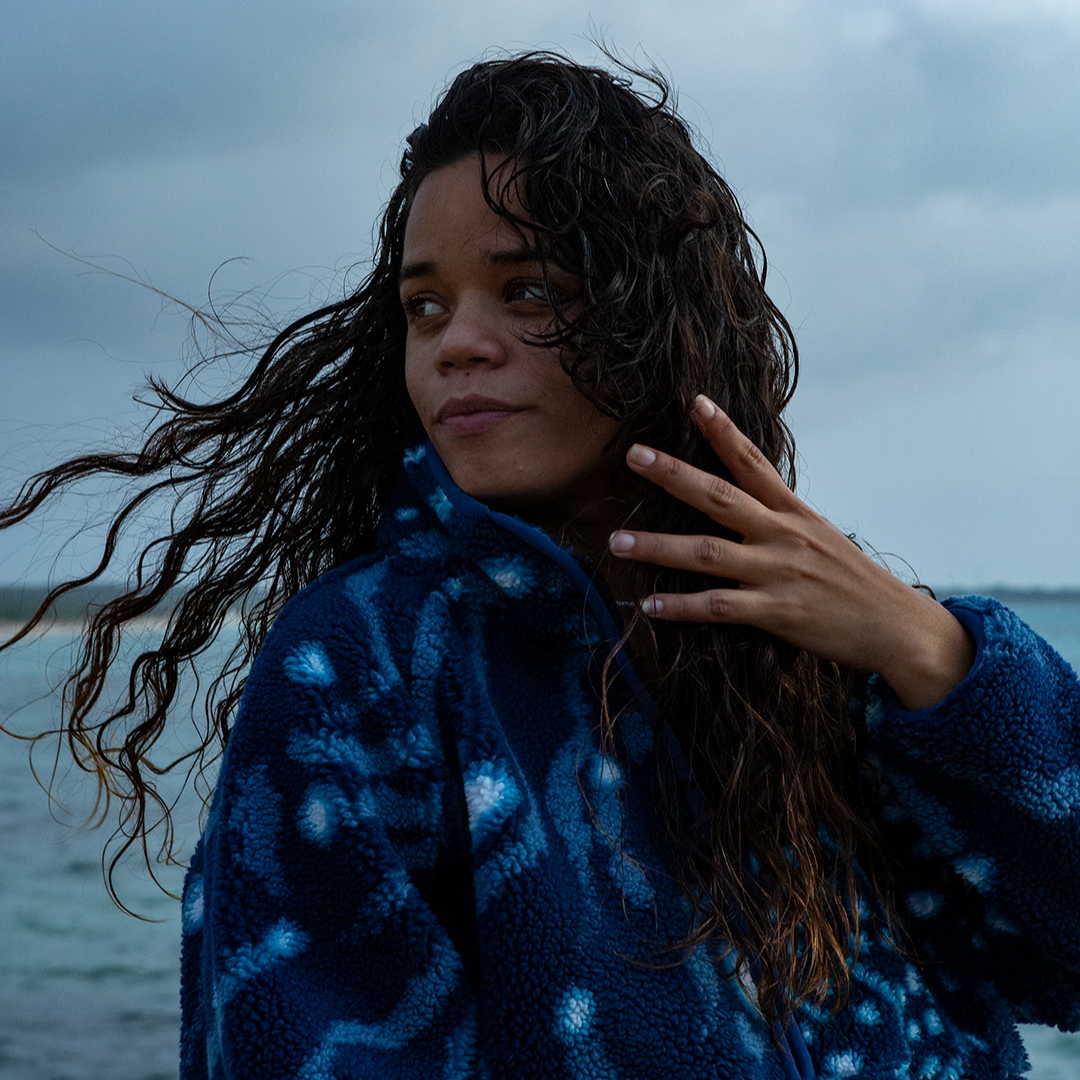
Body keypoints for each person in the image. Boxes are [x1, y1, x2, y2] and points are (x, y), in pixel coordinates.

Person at [3, 51, 1078, 1079]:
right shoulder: (368, 658)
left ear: (658, 320)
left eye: (527, 292)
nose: (455, 342)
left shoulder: (818, 650)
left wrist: (925, 648)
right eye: (425, 305)